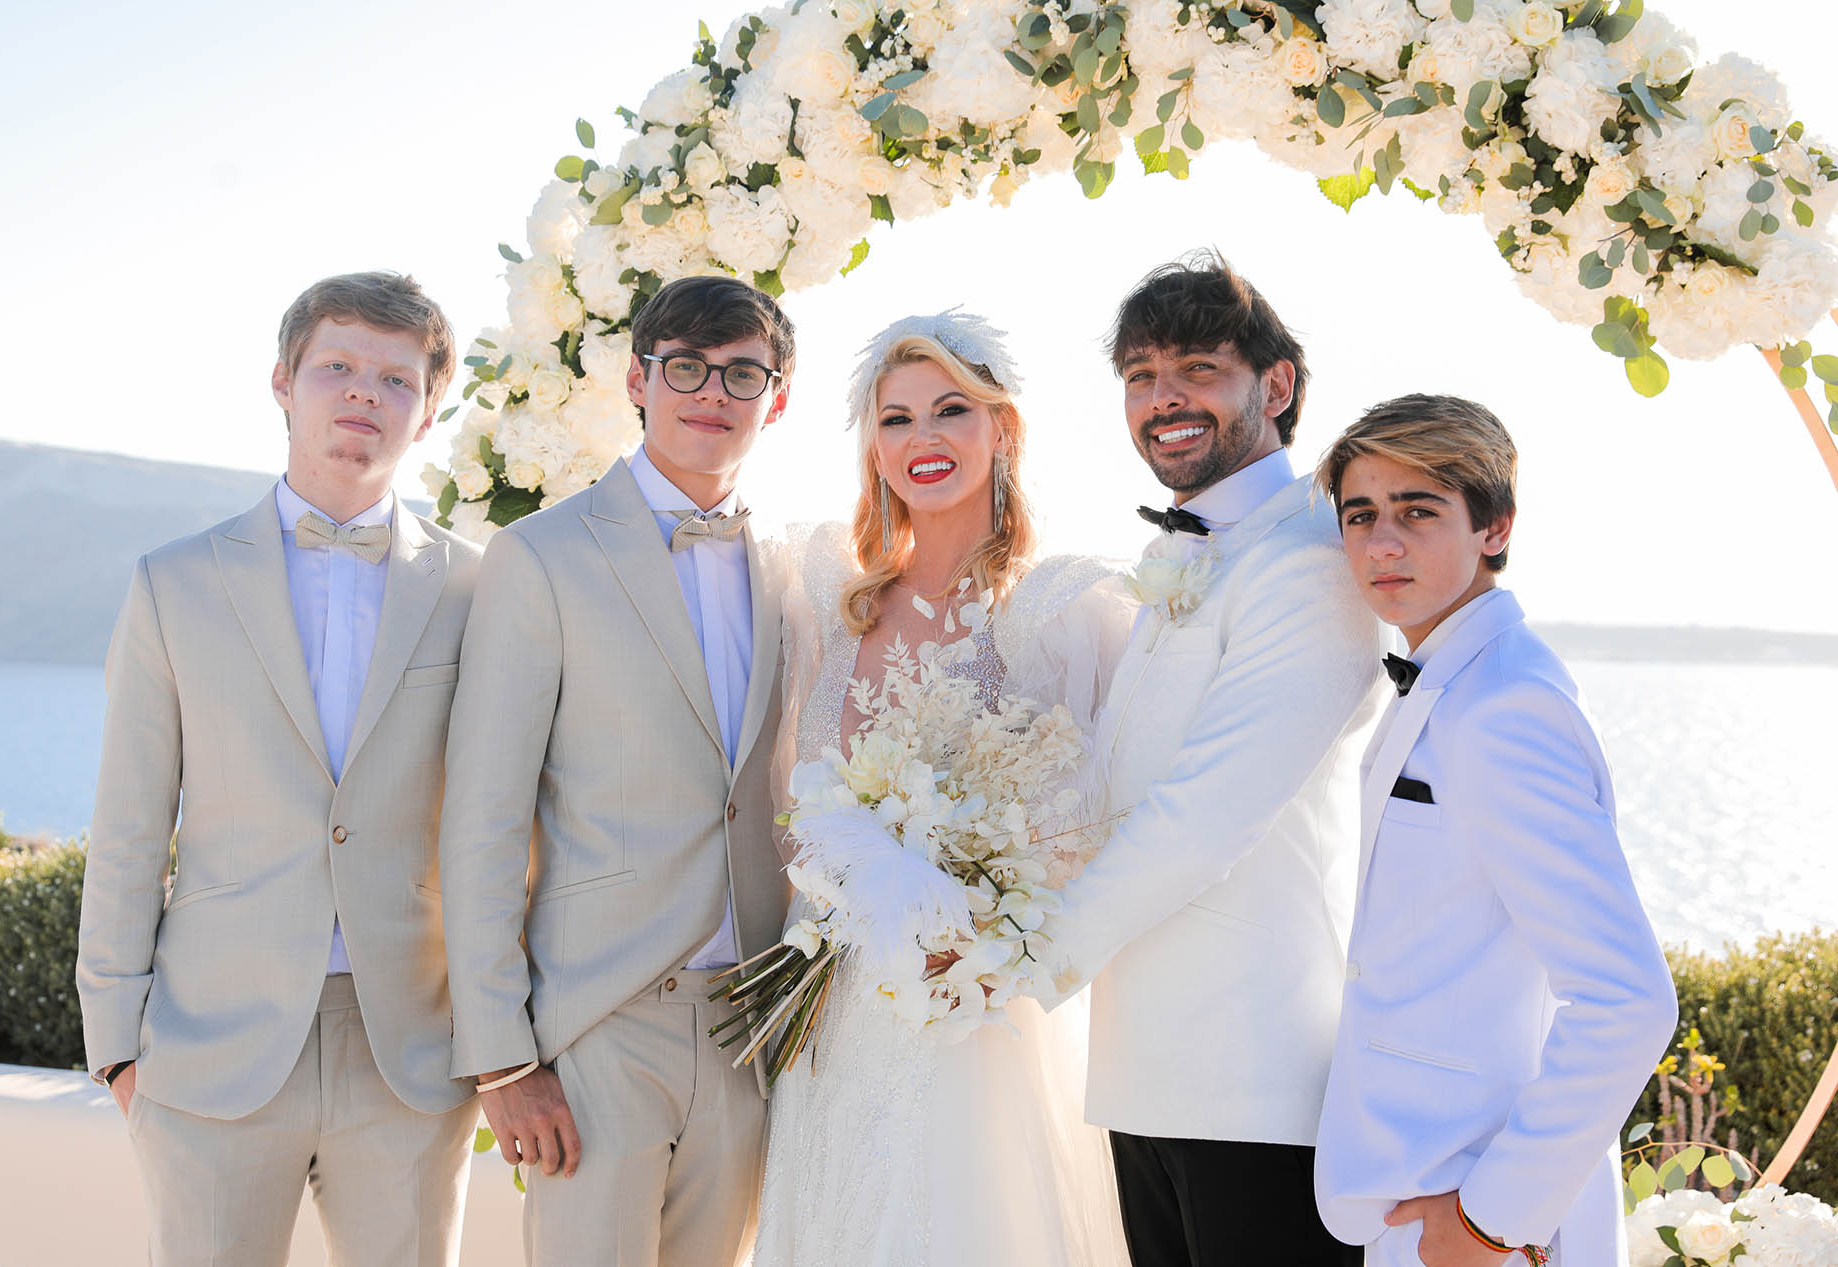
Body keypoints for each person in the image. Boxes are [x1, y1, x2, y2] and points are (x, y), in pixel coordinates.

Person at [75, 271, 483, 1265]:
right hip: (209, 1040)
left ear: (428, 412)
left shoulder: (480, 585)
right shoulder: (174, 582)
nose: (361, 393)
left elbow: (508, 816)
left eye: (394, 378)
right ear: (282, 382)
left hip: (409, 1052)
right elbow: (130, 820)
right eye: (336, 365)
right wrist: (117, 1046)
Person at [752, 310, 1134, 1267]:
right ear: (871, 445)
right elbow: (791, 806)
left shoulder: (1063, 613)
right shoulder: (827, 599)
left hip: (977, 1013)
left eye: (951, 410)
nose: (922, 439)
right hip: (838, 1010)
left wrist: (982, 932)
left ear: (1000, 429)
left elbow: (1096, 823)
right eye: (896, 418)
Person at [1030, 252, 1385, 1267]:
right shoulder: (1189, 555)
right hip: (1142, 1074)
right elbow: (1111, 788)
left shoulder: (1311, 561)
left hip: (1256, 1083)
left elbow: (1201, 817)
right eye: (1139, 376)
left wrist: (1026, 957)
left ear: (1273, 386)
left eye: (1195, 368)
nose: (1162, 398)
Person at [438, 273, 794, 1267]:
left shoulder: (792, 569)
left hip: (750, 1032)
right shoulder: (541, 557)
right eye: (683, 367)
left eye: (740, 372)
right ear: (638, 381)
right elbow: (482, 820)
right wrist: (503, 1059)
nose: (710, 394)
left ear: (780, 393)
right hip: (598, 1026)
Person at [1312, 394, 1677, 1267]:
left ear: (1495, 528)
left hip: (1480, 1214)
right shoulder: (1451, 675)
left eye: (1418, 511)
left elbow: (1628, 1000)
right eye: (1360, 515)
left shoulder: (1507, 707)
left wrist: (1492, 1219)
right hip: (1417, 1186)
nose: (1381, 542)